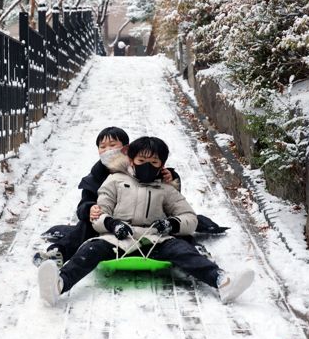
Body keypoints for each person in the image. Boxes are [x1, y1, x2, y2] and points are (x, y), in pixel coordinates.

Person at [38, 136, 254, 306]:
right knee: (90, 251)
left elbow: (189, 217)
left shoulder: (166, 188)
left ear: (162, 165)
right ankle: (59, 285)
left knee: (184, 251)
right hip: (117, 238)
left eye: (154, 162)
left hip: (155, 240)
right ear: (131, 160)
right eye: (141, 161)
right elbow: (99, 214)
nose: (147, 166)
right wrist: (112, 224)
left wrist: (172, 225)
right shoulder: (114, 181)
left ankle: (222, 282)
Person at [34, 127, 229, 267]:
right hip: (110, 223)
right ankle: (60, 252)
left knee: (175, 227)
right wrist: (89, 209)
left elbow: (171, 198)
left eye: (113, 144)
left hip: (150, 223)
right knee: (85, 227)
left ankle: (195, 252)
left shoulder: (140, 165)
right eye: (103, 146)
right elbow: (84, 203)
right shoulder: (96, 176)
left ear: (126, 149)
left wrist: (172, 179)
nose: (108, 149)